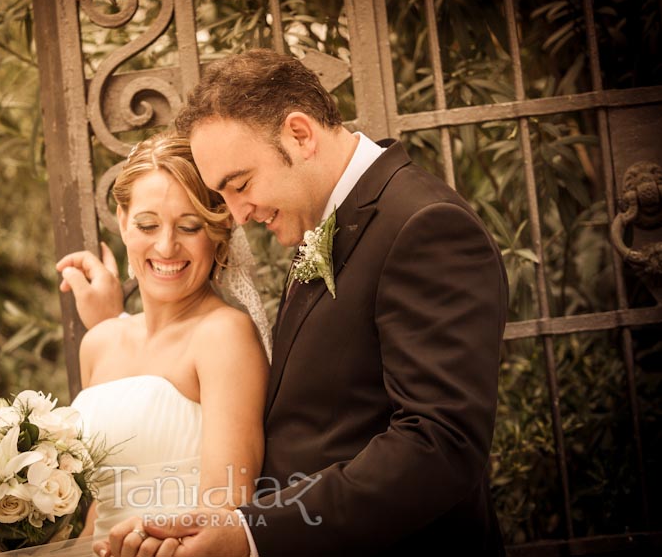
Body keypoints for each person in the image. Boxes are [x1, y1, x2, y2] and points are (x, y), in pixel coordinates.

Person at [60, 49, 509, 557]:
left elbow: (439, 447)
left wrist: (253, 531)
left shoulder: (423, 226)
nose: (238, 214)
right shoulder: (329, 224)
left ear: (300, 134)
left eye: (241, 184)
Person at [61, 131, 270, 554]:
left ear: (218, 227)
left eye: (189, 226)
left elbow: (226, 504)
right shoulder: (98, 343)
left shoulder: (224, 334)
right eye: (147, 224)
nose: (166, 245)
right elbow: (99, 513)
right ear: (122, 221)